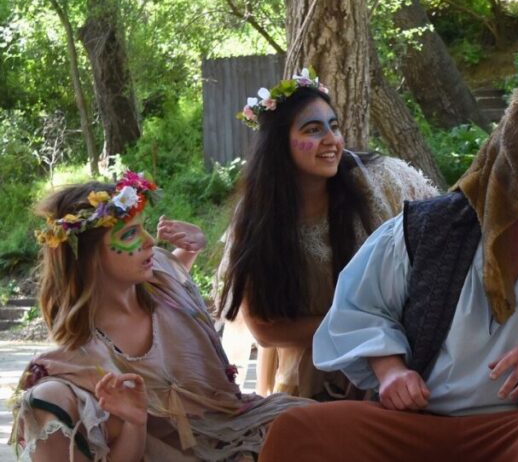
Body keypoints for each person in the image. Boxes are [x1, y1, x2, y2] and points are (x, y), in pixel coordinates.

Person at [258, 0, 518, 459]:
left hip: (514, 432)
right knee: (299, 430)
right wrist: (391, 372)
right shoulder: (422, 231)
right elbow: (358, 313)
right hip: (413, 429)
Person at [11, 172, 310, 460]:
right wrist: (134, 422)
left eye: (144, 227)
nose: (150, 240)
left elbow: (174, 287)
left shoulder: (159, 282)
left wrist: (192, 248)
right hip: (184, 450)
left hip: (237, 421)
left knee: (335, 421)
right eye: (130, 234)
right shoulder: (85, 357)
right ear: (89, 260)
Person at [216, 68, 437, 399]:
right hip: (319, 373)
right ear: (279, 144)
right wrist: (363, 330)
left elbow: (442, 236)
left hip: (413, 354)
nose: (332, 140)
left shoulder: (383, 181)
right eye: (313, 130)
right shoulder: (258, 219)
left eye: (334, 127)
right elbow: (262, 328)